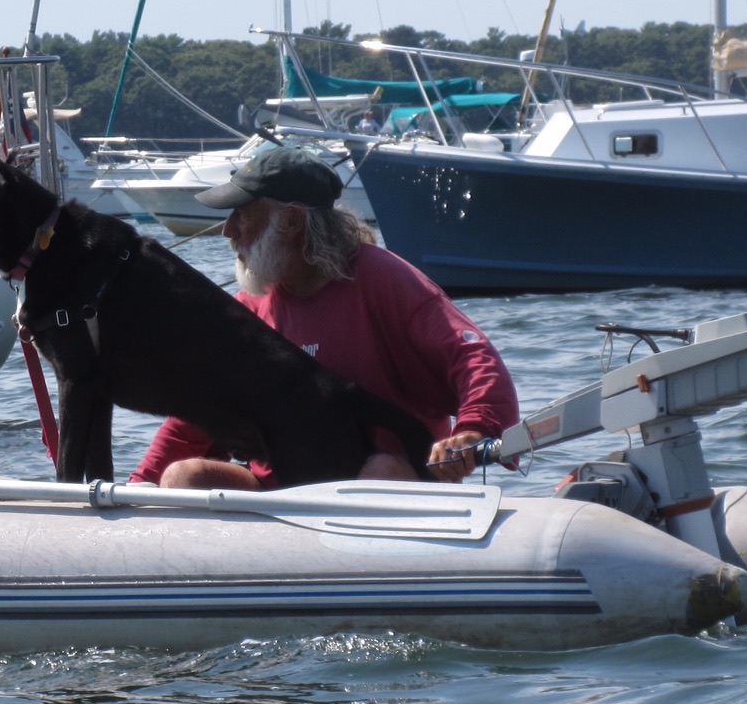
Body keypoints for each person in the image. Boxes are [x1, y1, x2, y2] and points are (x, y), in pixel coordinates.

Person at [130, 143, 517, 489]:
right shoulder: (249, 311)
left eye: (242, 214)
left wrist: (474, 430)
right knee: (182, 477)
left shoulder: (383, 279)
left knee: (382, 469)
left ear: (292, 221)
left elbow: (475, 358)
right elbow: (195, 412)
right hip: (282, 492)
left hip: (383, 482)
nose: (228, 231)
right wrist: (139, 486)